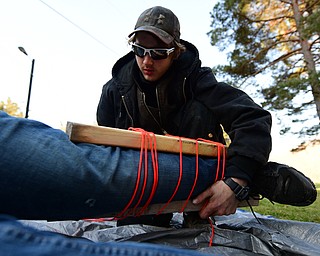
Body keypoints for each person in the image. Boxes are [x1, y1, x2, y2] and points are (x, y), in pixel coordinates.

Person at [96, 6, 317, 226]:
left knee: (198, 110)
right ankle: (256, 178)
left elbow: (252, 116)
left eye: (159, 53)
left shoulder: (197, 80)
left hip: (197, 180)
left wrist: (237, 180)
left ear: (176, 52)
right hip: (142, 179)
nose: (147, 61)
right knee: (137, 230)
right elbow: (105, 148)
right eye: (140, 50)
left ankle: (232, 185)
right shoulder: (115, 90)